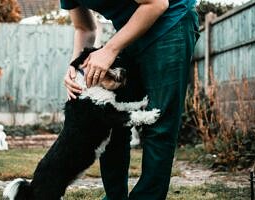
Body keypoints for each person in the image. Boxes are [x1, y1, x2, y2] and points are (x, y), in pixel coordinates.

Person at [62, 0, 199, 199]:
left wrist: (109, 50)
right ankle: (115, 196)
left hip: (169, 22)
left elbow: (157, 4)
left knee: (160, 122)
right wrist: (75, 67)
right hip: (130, 31)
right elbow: (84, 28)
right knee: (109, 122)